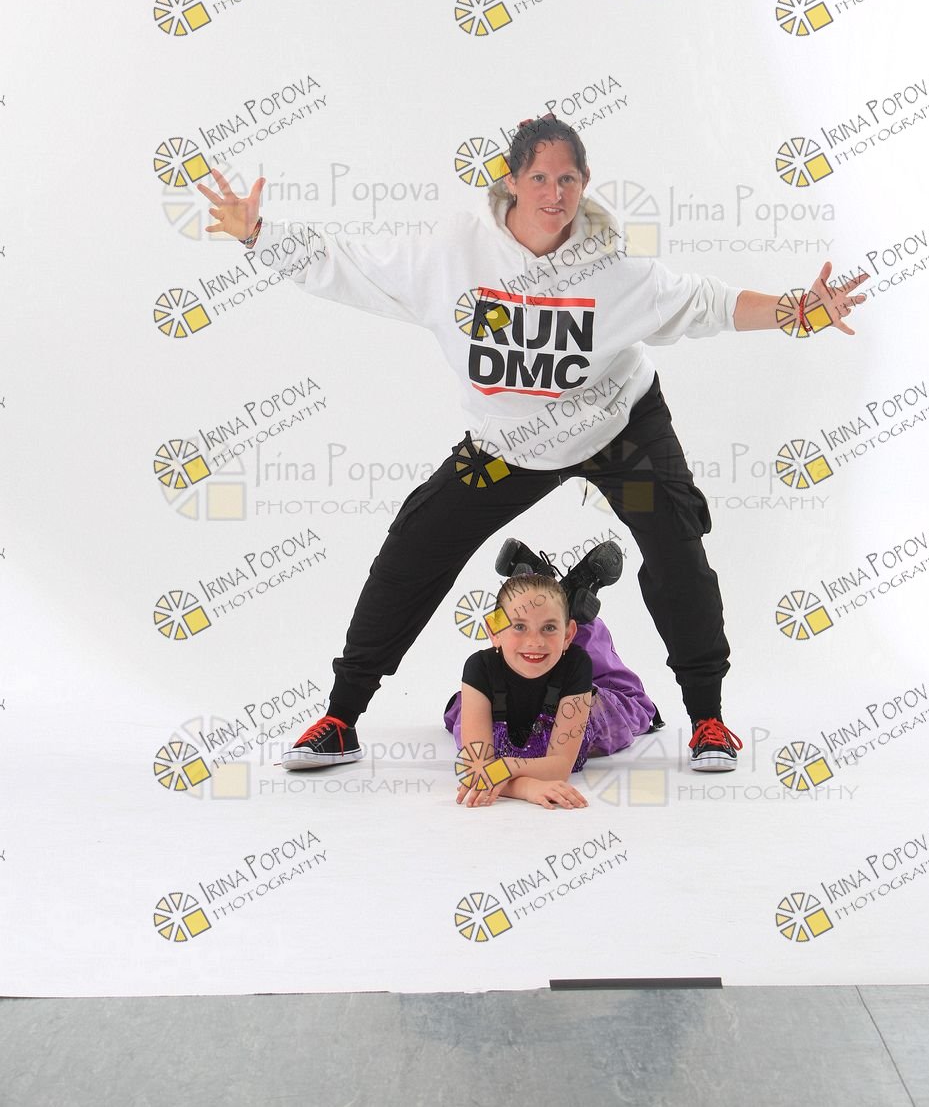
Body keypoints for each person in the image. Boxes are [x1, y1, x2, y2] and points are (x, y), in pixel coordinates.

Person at [199, 117, 867, 775]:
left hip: (617, 430)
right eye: (540, 179)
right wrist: (259, 235)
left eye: (568, 179)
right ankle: (341, 717)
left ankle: (708, 721)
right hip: (507, 446)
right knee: (415, 548)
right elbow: (350, 266)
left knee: (676, 546)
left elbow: (705, 302)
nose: (555, 195)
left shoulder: (611, 267)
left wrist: (795, 310)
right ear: (512, 181)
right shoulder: (454, 253)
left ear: (585, 182)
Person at [451, 572, 596, 811]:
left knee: (626, 704)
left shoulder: (577, 665)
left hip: (582, 710)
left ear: (569, 635)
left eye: (549, 627)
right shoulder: (479, 668)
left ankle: (576, 596)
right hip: (492, 705)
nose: (535, 642)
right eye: (519, 626)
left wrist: (505, 767)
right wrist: (528, 787)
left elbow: (561, 766)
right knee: (462, 716)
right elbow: (478, 769)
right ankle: (547, 584)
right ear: (494, 631)